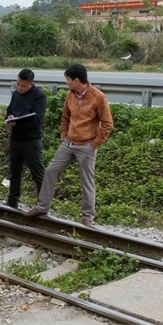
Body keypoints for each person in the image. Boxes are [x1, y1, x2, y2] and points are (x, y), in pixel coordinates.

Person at [24, 64, 113, 227]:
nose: (67, 83)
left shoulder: (98, 97)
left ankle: (87, 217)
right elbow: (65, 117)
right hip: (68, 143)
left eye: (68, 80)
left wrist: (94, 145)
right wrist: (64, 135)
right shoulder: (70, 96)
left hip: (87, 145)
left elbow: (107, 124)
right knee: (51, 171)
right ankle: (42, 207)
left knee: (87, 180)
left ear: (77, 80)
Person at [5, 68, 46, 209]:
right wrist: (9, 118)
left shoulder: (39, 96)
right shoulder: (16, 94)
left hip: (31, 139)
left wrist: (18, 123)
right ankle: (13, 200)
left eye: (23, 85)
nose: (20, 88)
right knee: (14, 170)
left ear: (31, 83)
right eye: (18, 84)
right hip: (16, 137)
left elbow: (37, 119)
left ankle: (43, 204)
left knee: (37, 172)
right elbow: (10, 110)